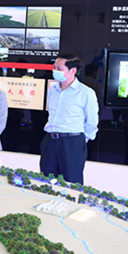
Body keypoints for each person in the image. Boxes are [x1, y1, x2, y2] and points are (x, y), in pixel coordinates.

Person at [40, 53, 98, 185]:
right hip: (50, 141)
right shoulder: (52, 90)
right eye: (54, 67)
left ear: (73, 71)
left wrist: (79, 140)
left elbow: (92, 122)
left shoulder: (86, 93)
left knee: (71, 183)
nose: (55, 71)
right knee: (46, 181)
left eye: (59, 68)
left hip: (72, 142)